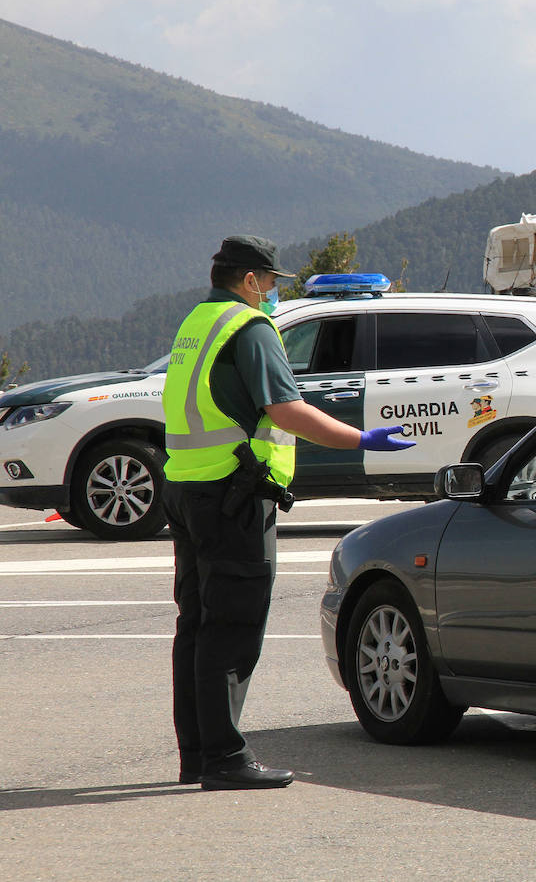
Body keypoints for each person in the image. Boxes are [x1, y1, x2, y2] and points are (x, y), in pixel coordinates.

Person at [163, 234, 415, 791]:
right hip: (233, 494)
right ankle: (225, 758)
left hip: (186, 488)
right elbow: (285, 408)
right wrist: (361, 439)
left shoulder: (194, 323)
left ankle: (198, 754)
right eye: (272, 282)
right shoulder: (249, 328)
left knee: (199, 625)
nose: (274, 293)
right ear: (250, 280)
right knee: (232, 626)